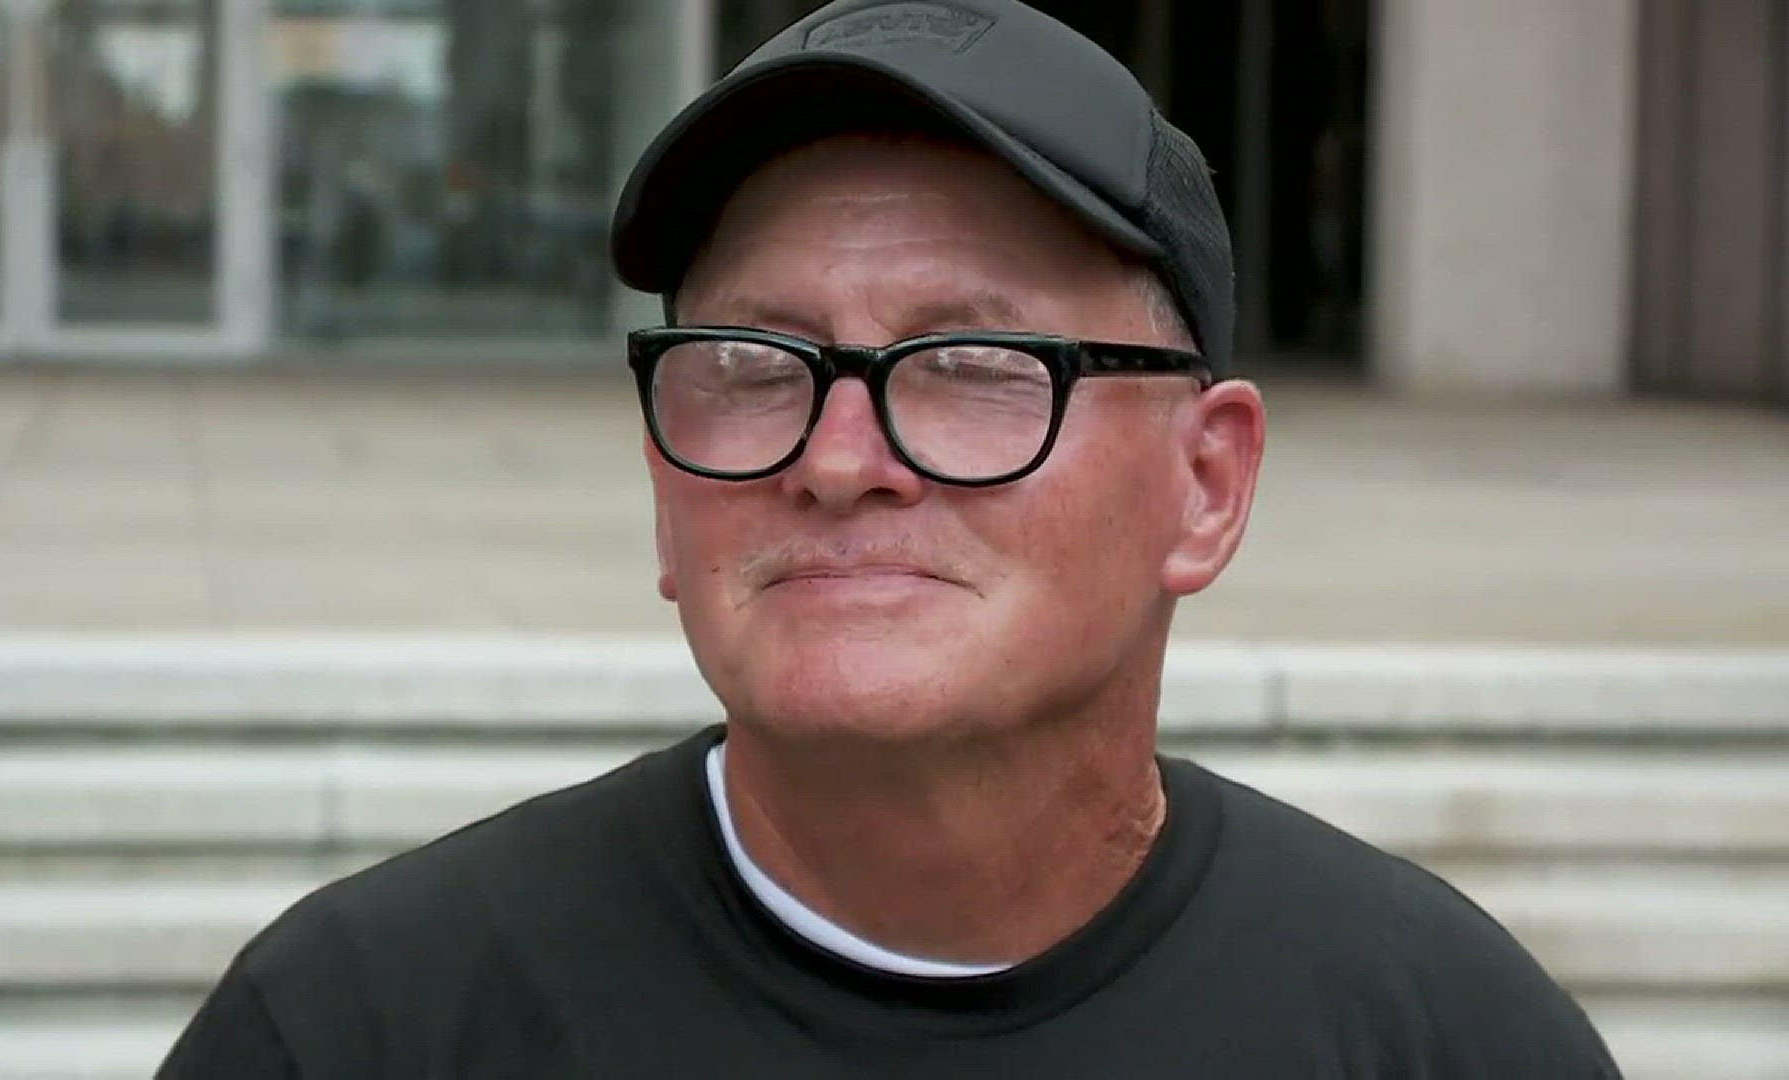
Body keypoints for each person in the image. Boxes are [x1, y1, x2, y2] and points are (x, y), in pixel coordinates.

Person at [158, 2, 1622, 1076]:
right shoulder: (361, 1028)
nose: (838, 460)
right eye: (753, 364)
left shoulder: (1444, 1040)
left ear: (1208, 483)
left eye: (974, 364)